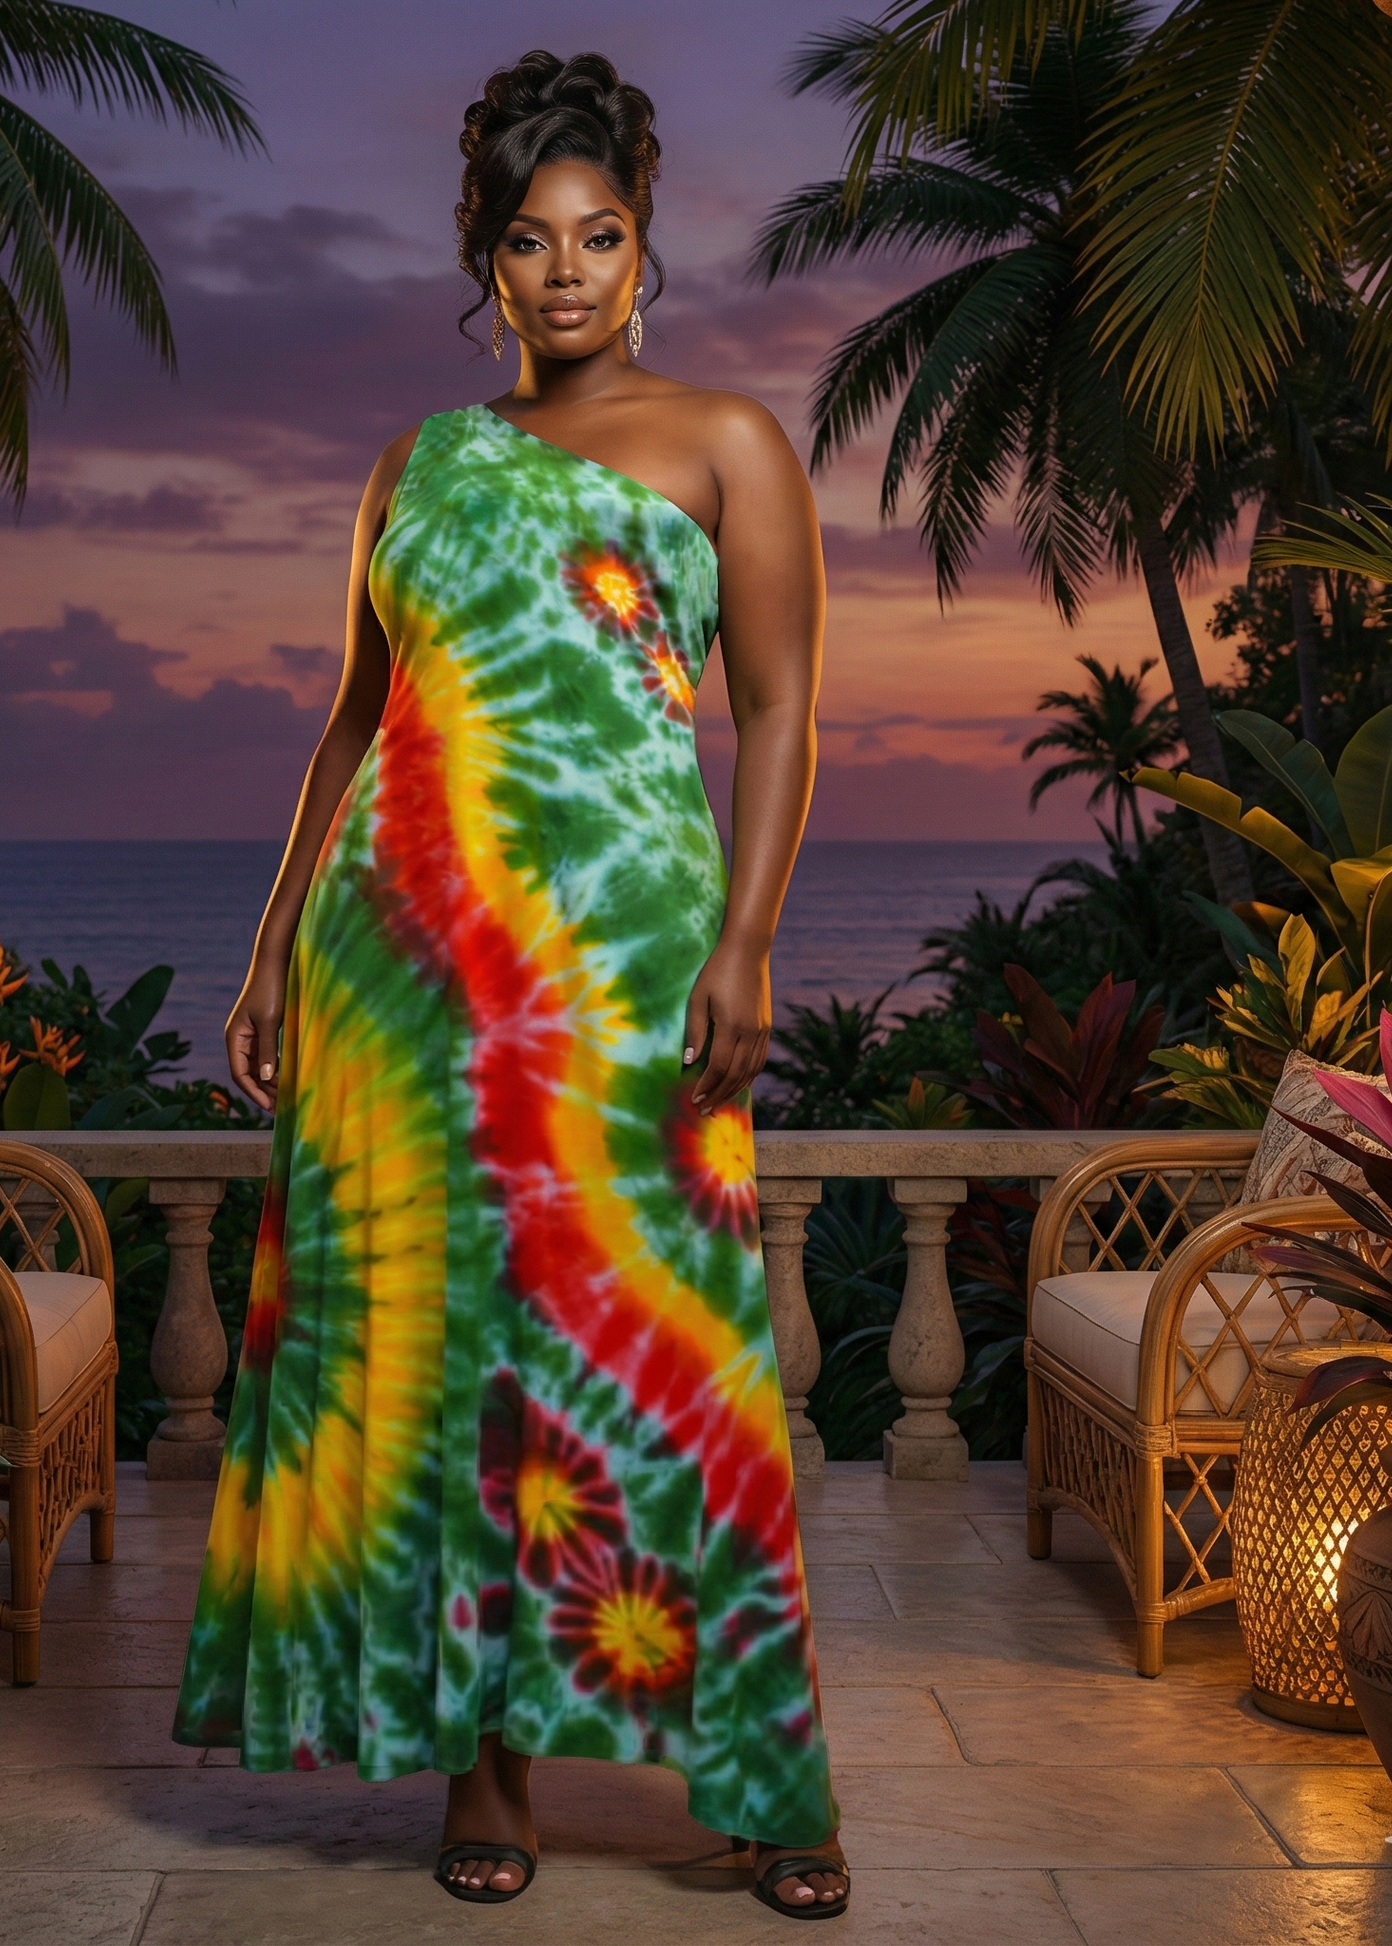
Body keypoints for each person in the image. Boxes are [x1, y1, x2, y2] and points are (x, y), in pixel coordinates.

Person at [173, 48, 845, 1920]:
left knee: (673, 1356)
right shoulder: (418, 460)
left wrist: (749, 934)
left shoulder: (725, 442)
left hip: (628, 976)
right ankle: (484, 1773)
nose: (566, 271)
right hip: (399, 979)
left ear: (643, 249)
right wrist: (265, 948)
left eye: (599, 235)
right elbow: (348, 726)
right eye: (529, 239)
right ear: (487, 253)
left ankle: (768, 1776)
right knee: (448, 1364)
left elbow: (780, 709)